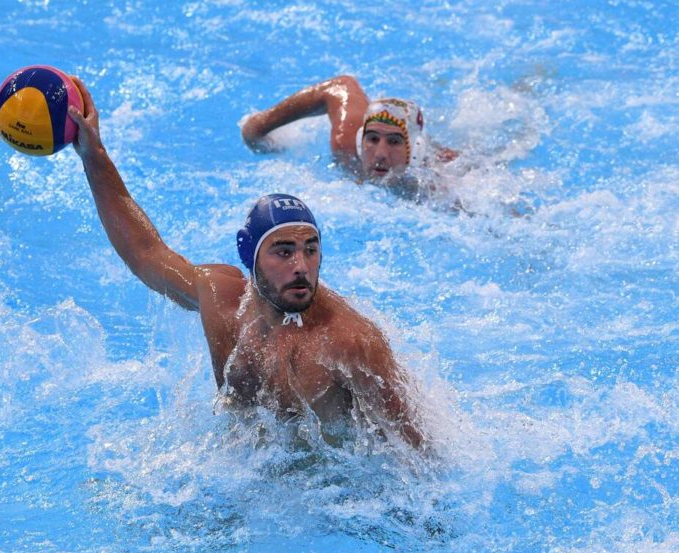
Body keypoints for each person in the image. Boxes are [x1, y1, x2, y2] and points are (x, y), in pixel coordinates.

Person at [66, 77, 424, 449]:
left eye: (310, 249)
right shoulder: (220, 299)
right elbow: (145, 253)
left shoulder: (350, 342)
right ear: (247, 254)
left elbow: (420, 457)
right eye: (283, 251)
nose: (301, 266)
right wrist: (94, 156)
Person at [240, 75, 458, 188]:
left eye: (393, 142)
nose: (380, 153)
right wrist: (258, 126)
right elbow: (341, 85)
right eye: (372, 139)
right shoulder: (346, 144)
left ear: (415, 149)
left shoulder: (432, 181)